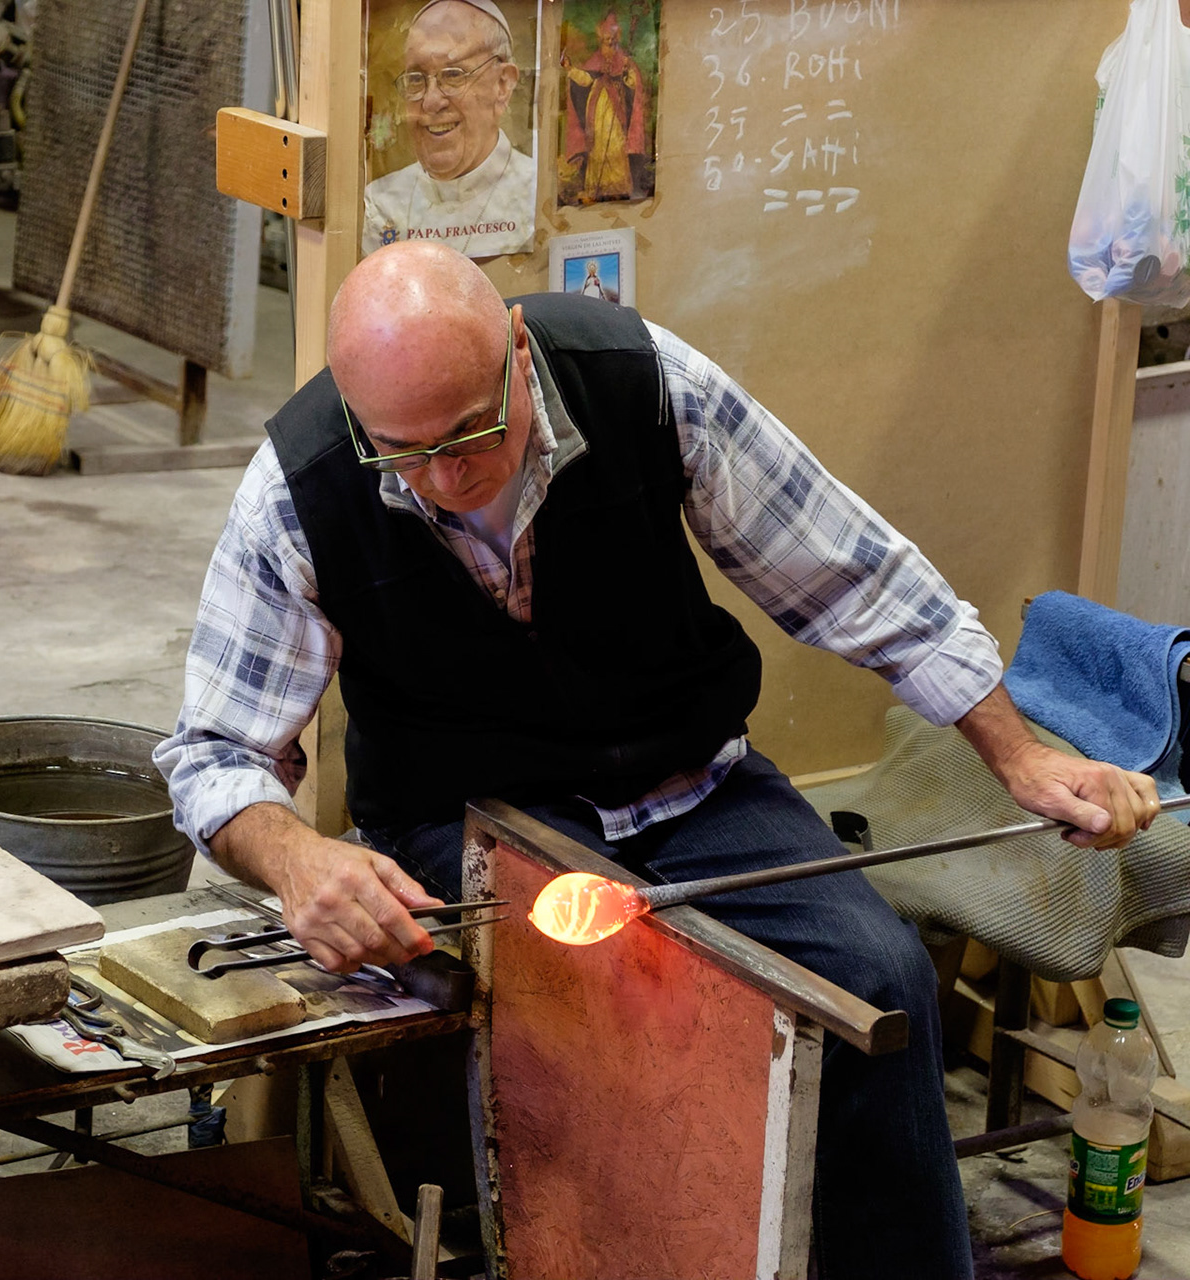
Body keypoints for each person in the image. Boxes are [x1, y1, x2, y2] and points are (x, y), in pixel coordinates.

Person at [153, 242, 1162, 1279]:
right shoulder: (301, 483)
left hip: (693, 781)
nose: (446, 479)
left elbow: (856, 577)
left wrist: (1022, 757)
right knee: (600, 1001)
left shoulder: (644, 382)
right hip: (469, 813)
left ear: (516, 348)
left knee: (882, 977)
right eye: (403, 452)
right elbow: (215, 754)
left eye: (471, 432)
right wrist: (296, 859)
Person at [363, 0, 535, 259]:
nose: (431, 102)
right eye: (415, 79)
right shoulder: (380, 203)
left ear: (502, 85)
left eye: (454, 75)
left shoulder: (536, 194)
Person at [560, 8, 651, 204]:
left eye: (612, 39)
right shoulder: (594, 60)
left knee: (617, 145)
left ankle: (618, 187)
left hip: (616, 110)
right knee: (598, 147)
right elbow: (585, 80)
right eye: (605, 39)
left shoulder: (625, 60)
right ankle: (597, 188)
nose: (609, 43)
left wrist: (626, 75)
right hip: (597, 108)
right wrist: (570, 69)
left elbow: (633, 83)